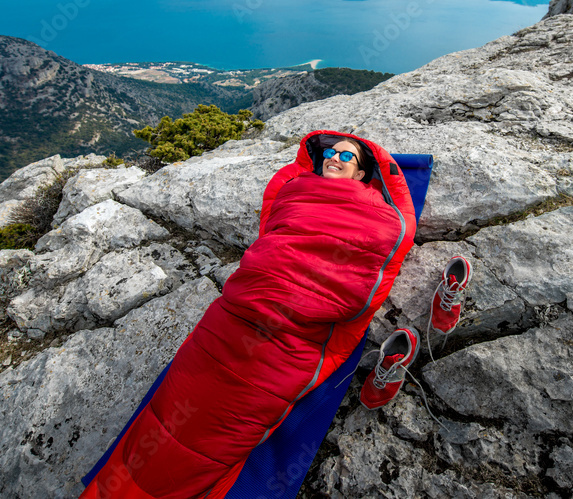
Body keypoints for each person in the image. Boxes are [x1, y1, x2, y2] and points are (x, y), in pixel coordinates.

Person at [80, 130, 417, 499]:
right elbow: (270, 234)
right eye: (330, 153)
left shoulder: (378, 216)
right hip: (234, 313)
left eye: (347, 156)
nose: (333, 158)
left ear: (363, 175)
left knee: (217, 429)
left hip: (288, 334)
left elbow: (367, 276)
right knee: (180, 400)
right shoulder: (297, 190)